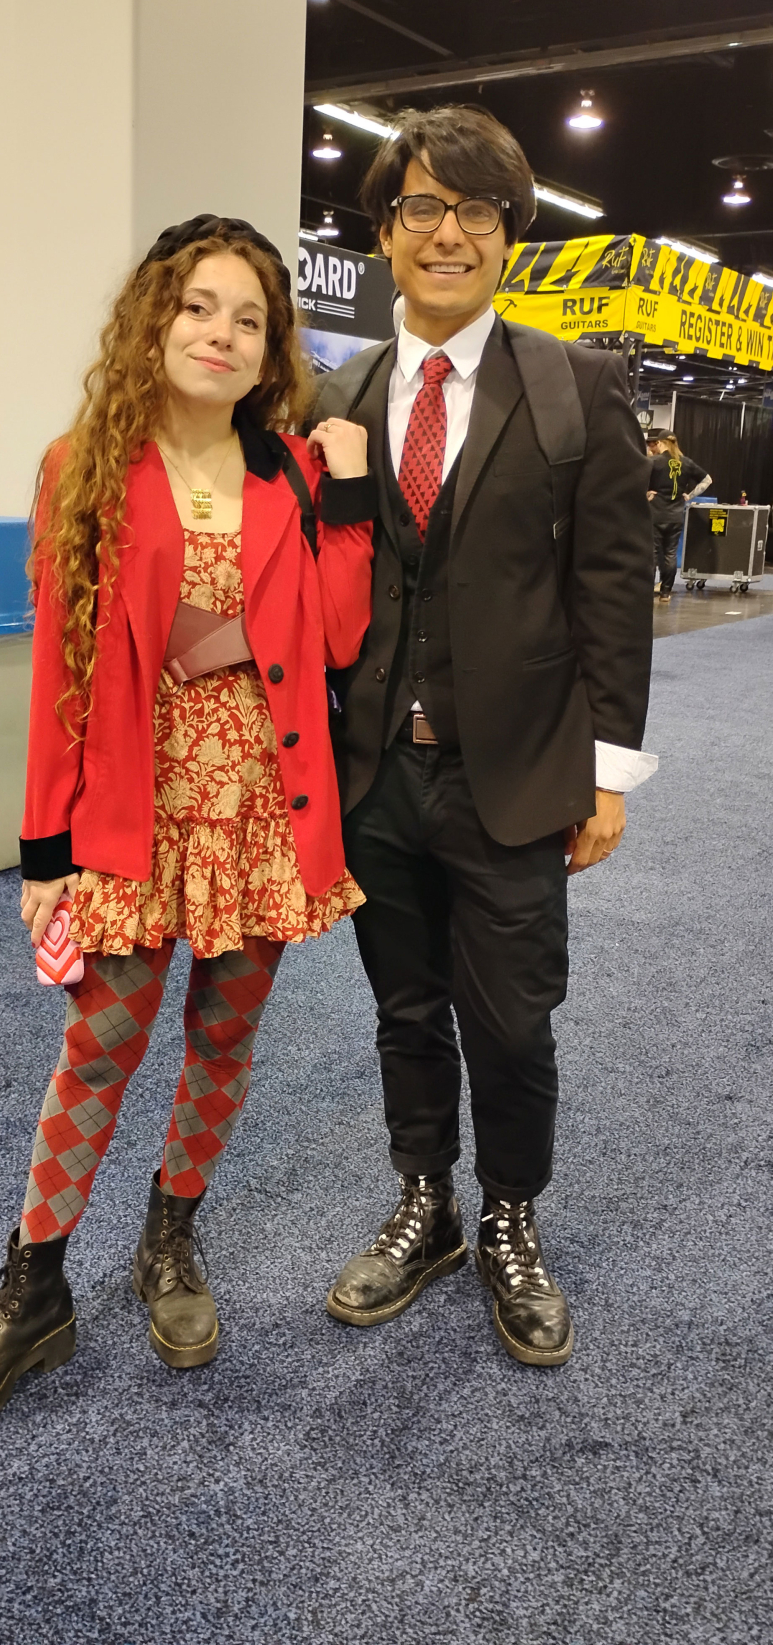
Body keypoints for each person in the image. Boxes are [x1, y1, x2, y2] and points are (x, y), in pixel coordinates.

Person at [0, 216, 375, 1434]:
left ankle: (172, 1233)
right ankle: (34, 1281)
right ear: (155, 319)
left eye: (250, 319)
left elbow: (332, 637)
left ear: (272, 347)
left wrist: (355, 499)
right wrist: (43, 847)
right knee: (101, 1044)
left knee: (225, 1041)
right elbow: (65, 669)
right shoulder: (89, 465)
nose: (222, 335)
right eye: (200, 307)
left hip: (264, 815)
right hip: (136, 813)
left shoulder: (292, 474)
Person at [309, 105, 657, 1367]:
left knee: (510, 1016)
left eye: (475, 211)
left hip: (515, 772)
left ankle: (511, 1213)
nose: (446, 233)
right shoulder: (335, 391)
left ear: (508, 234)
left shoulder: (577, 385)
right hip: (373, 774)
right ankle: (428, 1202)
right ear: (388, 233)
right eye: (421, 208)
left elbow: (613, 587)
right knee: (406, 1007)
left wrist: (608, 769)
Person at [646, 430, 712, 600]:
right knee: (670, 554)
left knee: (652, 554)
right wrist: (689, 496)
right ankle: (666, 592)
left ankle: (646, 592)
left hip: (655, 514)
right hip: (675, 516)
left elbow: (632, 477)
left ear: (660, 443)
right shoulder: (686, 462)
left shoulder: (653, 461)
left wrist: (645, 493)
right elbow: (707, 480)